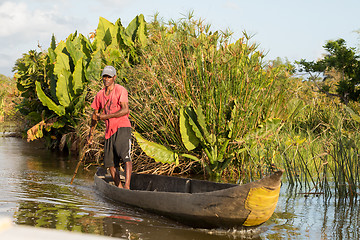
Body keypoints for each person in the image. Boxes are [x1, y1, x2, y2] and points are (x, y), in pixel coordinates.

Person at [87, 65, 132, 189]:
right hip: (109, 132)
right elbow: (95, 115)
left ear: (114, 78)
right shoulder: (100, 94)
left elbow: (125, 110)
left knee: (125, 157)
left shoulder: (120, 90)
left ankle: (127, 186)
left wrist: (106, 116)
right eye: (104, 76)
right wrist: (90, 134)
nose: (106, 79)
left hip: (122, 127)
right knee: (110, 163)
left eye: (109, 77)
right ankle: (119, 187)